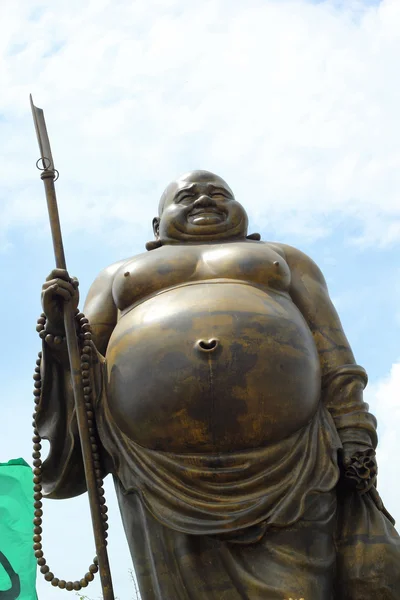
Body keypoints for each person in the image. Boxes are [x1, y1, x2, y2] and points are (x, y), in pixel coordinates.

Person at [37, 170, 400, 599]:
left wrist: (355, 431)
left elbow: (335, 356)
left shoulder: (282, 259)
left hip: (294, 464)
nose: (204, 200)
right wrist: (60, 335)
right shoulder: (120, 274)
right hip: (156, 468)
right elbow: (81, 366)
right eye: (187, 196)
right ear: (157, 228)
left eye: (219, 193)